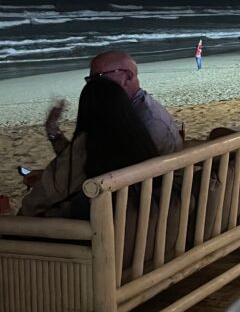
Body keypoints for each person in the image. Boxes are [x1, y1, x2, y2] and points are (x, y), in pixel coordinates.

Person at [21, 79, 159, 218]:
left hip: (99, 231)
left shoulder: (90, 144)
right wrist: (53, 131)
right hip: (141, 224)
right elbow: (74, 164)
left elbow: (41, 198)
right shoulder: (139, 136)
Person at [43, 51, 183, 158]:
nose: (93, 85)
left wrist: (53, 131)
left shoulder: (146, 121)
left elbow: (86, 170)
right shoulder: (129, 109)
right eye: (90, 79)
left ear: (127, 76)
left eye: (99, 77)